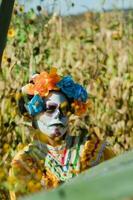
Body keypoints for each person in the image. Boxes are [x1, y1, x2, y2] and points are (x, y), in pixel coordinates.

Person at [9, 68, 115, 200]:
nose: (58, 116)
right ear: (34, 115)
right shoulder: (24, 162)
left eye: (64, 109)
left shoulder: (94, 150)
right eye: (50, 109)